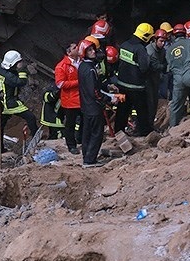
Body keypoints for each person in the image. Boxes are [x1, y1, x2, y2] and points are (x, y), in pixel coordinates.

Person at [78, 39, 119, 167]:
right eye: (89, 50)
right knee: (96, 133)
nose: (93, 52)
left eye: (93, 49)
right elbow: (94, 91)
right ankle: (90, 160)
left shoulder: (83, 67)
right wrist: (108, 99)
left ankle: (87, 156)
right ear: (84, 53)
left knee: (87, 133)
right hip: (93, 107)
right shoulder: (90, 70)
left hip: (86, 106)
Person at [114, 23, 154, 136]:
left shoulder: (124, 44)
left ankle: (119, 132)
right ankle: (145, 132)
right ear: (146, 36)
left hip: (122, 84)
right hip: (136, 87)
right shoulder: (140, 49)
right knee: (142, 111)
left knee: (122, 111)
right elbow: (144, 68)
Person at [0, 50, 38, 136]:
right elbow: (21, 82)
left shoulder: (1, 70)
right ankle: (36, 138)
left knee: (0, 126)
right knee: (31, 118)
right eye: (19, 62)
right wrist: (22, 69)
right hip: (10, 103)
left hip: (2, 102)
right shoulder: (9, 77)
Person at [55, 42, 82, 155]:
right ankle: (71, 145)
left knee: (85, 121)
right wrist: (79, 82)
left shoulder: (81, 62)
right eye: (75, 47)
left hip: (82, 98)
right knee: (70, 124)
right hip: (70, 101)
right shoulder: (61, 66)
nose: (78, 48)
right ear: (69, 52)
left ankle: (81, 139)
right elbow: (60, 84)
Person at [145, 28, 168, 126]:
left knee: (154, 103)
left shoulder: (162, 51)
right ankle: (146, 126)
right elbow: (157, 66)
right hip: (148, 80)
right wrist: (166, 67)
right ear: (155, 40)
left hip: (156, 79)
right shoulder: (150, 51)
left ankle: (150, 125)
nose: (163, 43)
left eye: (164, 41)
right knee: (149, 103)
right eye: (161, 41)